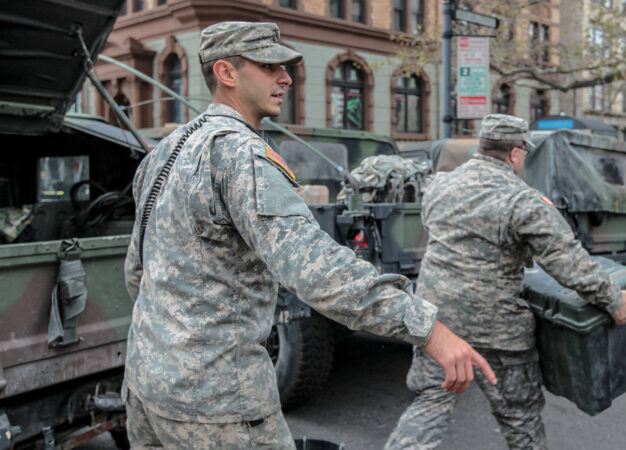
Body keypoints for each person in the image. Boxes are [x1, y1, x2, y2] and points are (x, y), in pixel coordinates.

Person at [122, 21, 495, 449]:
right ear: (226, 73)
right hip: (217, 405)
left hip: (147, 386)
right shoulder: (241, 155)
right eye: (268, 66)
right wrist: (430, 330)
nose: (286, 77)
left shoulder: (165, 152)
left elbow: (137, 271)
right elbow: (317, 271)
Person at [384, 114, 626, 450]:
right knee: (521, 421)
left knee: (430, 404)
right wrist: (614, 300)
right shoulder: (523, 200)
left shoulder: (440, 186)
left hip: (437, 325)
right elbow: (569, 264)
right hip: (499, 332)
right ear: (516, 153)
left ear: (483, 146)